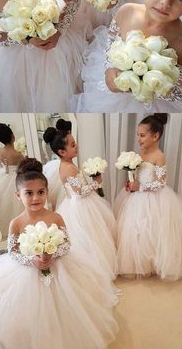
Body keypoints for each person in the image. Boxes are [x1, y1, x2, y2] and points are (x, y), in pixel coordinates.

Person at [0, 158, 118, 349]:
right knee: (31, 312)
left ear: (47, 192)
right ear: (18, 195)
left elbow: (67, 244)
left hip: (59, 268)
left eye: (41, 192)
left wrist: (52, 254)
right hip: (27, 272)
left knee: (65, 308)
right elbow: (13, 251)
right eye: (29, 193)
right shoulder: (16, 223)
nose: (35, 198)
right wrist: (32, 260)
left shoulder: (56, 217)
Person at [116, 114, 182, 281]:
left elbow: (161, 183)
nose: (138, 138)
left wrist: (141, 187)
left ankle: (156, 263)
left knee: (153, 231)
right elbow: (138, 174)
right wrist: (132, 184)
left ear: (155, 136)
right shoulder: (141, 153)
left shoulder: (159, 155)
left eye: (142, 135)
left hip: (154, 199)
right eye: (138, 134)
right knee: (136, 230)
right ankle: (140, 264)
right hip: (137, 198)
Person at [44, 118, 117, 281]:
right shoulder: (69, 168)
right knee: (88, 237)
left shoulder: (67, 164)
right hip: (80, 205)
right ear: (62, 152)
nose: (76, 146)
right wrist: (96, 183)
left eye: (74, 142)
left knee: (94, 235)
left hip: (77, 203)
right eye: (72, 145)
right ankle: (94, 269)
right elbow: (79, 192)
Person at [0, 123, 24, 238]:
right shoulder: (18, 154)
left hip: (3, 175)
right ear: (13, 136)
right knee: (14, 202)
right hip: (15, 177)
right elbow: (21, 168)